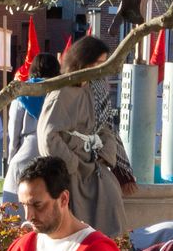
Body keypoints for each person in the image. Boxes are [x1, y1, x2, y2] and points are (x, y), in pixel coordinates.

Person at [36, 35, 130, 237]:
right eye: (96, 63)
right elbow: (48, 136)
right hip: (73, 174)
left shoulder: (93, 89)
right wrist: (72, 164)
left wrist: (105, 152)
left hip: (93, 166)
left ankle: (115, 250)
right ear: (82, 61)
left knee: (111, 196)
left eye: (103, 63)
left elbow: (104, 126)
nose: (100, 68)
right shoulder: (62, 93)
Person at [3, 53, 60, 192]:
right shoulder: (61, 93)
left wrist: (12, 157)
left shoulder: (23, 94)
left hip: (27, 151)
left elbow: (14, 129)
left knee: (15, 199)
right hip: (54, 152)